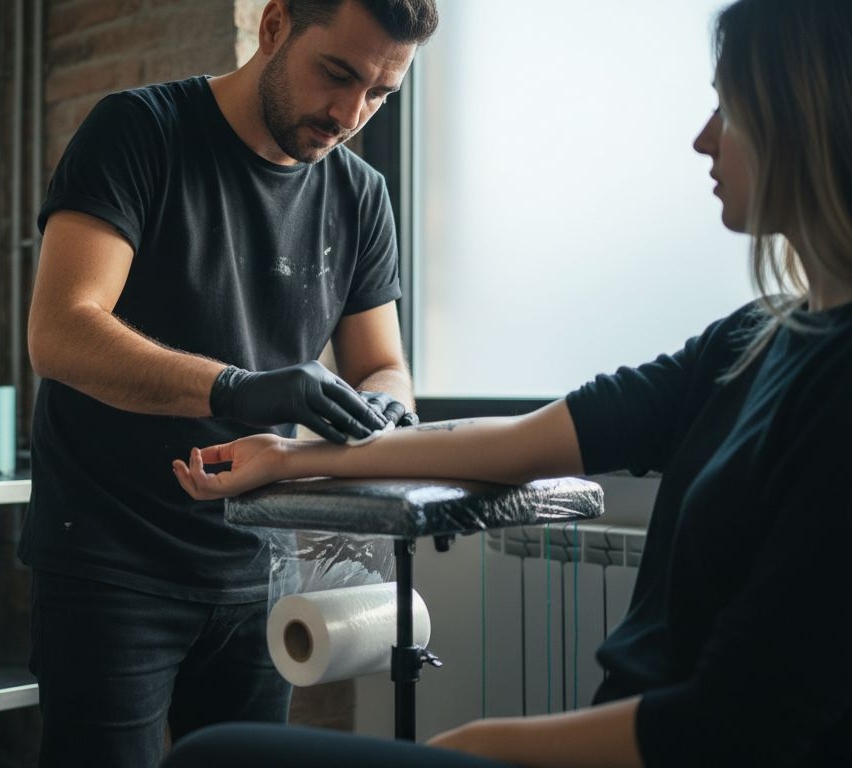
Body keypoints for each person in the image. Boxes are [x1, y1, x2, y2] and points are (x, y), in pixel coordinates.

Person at [165, 0, 852, 765]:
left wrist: (479, 745)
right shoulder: (749, 342)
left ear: (808, 119)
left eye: (730, 108)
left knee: (216, 755)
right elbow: (518, 442)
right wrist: (292, 459)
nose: (702, 138)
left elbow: (734, 724)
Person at [22, 0, 439, 765]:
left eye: (381, 94)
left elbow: (385, 364)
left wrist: (386, 409)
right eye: (338, 75)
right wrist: (238, 388)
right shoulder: (139, 130)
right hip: (112, 562)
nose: (350, 113)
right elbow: (60, 332)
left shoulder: (360, 194)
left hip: (258, 564)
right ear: (275, 25)